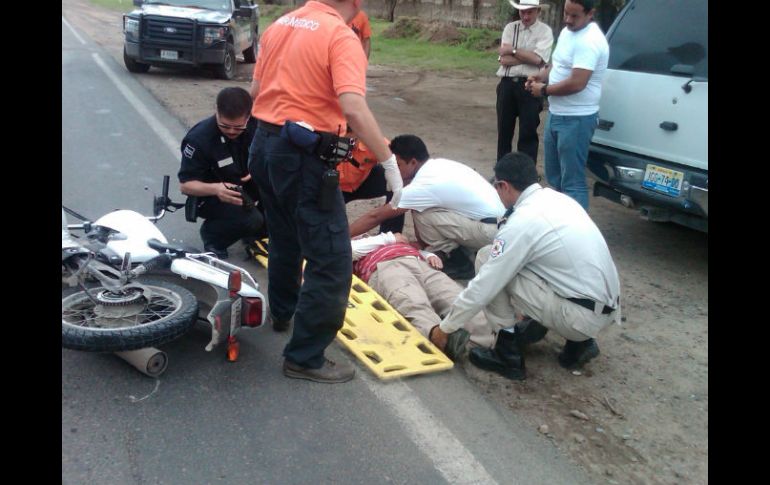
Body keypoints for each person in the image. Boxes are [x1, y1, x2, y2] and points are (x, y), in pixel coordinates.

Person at [248, 0, 403, 384]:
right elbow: (352, 106)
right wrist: (388, 163)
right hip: (303, 156)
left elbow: (255, 90)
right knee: (331, 260)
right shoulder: (339, 35)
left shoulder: (280, 24)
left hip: (264, 144)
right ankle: (305, 356)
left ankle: (283, 312)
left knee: (285, 235)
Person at [430, 152, 621, 380]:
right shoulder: (558, 200)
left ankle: (507, 353)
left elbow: (485, 284)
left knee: (486, 258)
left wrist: (446, 327)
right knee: (539, 263)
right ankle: (579, 345)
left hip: (579, 317)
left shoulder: (523, 220)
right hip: (605, 309)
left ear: (504, 186)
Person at [349, 135, 505, 280]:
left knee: (422, 213)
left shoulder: (423, 185)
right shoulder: (438, 165)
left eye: (398, 165)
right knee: (425, 209)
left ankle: (458, 261)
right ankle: (462, 251)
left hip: (491, 232)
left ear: (413, 162)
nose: (395, 170)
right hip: (499, 225)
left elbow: (376, 216)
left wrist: (344, 237)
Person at [351, 232, 495, 360]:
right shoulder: (356, 243)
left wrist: (430, 256)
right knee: (411, 301)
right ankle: (437, 338)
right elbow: (350, 250)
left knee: (454, 296)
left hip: (420, 263)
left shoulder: (386, 239)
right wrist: (388, 238)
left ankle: (487, 339)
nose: (365, 235)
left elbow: (420, 250)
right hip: (385, 266)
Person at [525, 0, 608, 211]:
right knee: (555, 177)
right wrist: (540, 75)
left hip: (577, 118)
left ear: (590, 14)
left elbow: (577, 82)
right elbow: (558, 64)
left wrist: (544, 90)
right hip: (557, 114)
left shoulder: (590, 40)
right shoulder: (567, 32)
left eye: (574, 16)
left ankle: (576, 235)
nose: (568, 20)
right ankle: (560, 226)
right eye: (566, 14)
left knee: (572, 181)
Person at [177, 87, 265, 259]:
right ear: (216, 110)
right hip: (213, 195)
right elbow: (185, 185)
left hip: (248, 186)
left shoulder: (258, 125)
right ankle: (213, 237)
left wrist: (258, 169)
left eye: (238, 127)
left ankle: (252, 234)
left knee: (279, 207)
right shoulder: (199, 139)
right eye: (225, 126)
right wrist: (217, 189)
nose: (231, 131)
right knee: (252, 220)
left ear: (249, 116)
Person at [495, 0, 553, 164]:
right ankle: (502, 173)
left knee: (528, 133)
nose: (526, 16)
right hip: (507, 83)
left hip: (530, 85)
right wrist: (530, 58)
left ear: (538, 11)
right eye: (523, 12)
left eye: (530, 12)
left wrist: (513, 51)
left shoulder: (545, 31)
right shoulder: (510, 28)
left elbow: (538, 59)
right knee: (504, 132)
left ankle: (526, 176)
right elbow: (504, 59)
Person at [340, 133, 404, 234]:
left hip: (361, 182)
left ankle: (390, 235)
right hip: (333, 188)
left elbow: (398, 160)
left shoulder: (372, 142)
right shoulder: (326, 138)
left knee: (398, 181)